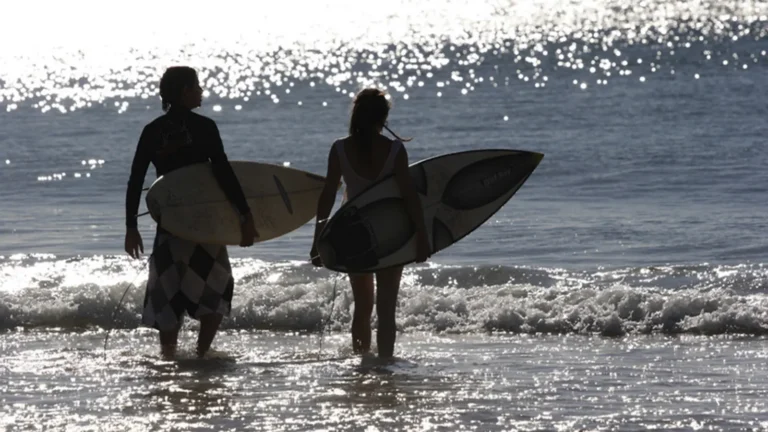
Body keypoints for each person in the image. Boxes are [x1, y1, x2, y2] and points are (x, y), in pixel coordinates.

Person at [124, 66, 258, 359]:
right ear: (185, 91)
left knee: (168, 296)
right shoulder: (205, 127)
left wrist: (131, 227)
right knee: (217, 291)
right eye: (197, 86)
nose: (201, 91)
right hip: (204, 227)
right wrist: (245, 216)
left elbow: (136, 181)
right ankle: (201, 353)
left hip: (170, 228)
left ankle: (168, 357)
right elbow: (223, 173)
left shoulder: (153, 131)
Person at [309, 88, 431, 359]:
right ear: (383, 117)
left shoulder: (340, 149)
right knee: (386, 309)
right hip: (392, 233)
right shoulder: (394, 150)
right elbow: (409, 196)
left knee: (362, 307)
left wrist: (318, 239)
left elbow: (327, 196)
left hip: (354, 235)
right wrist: (421, 235)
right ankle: (385, 365)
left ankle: (362, 363)